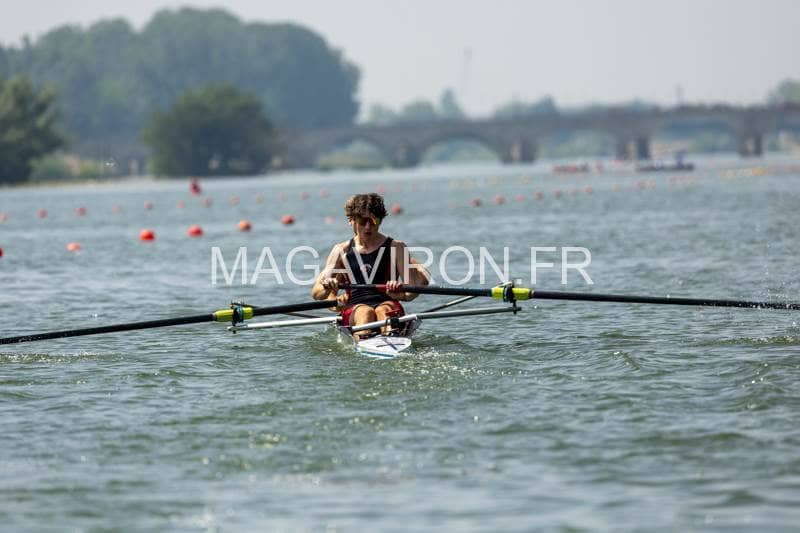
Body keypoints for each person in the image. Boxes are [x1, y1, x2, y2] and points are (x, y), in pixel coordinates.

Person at [312, 193, 429, 336]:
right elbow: (316, 293)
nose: (368, 227)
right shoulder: (341, 251)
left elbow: (412, 292)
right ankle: (366, 338)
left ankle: (390, 337)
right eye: (363, 221)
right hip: (356, 308)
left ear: (380, 221)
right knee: (365, 312)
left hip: (388, 304)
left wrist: (399, 294)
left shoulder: (396, 247)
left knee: (383, 310)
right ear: (351, 220)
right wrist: (327, 286)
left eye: (373, 221)